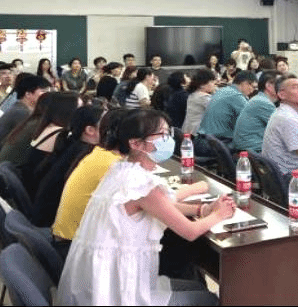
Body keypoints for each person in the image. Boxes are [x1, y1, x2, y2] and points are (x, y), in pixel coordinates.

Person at [56, 109, 234, 306]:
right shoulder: (141, 185)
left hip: (103, 279)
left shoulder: (120, 168)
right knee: (206, 298)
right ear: (136, 143)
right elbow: (190, 232)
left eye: (168, 133)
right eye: (162, 135)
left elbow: (162, 205)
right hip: (116, 292)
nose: (168, 140)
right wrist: (219, 214)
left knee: (196, 286)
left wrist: (201, 210)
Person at [31, 104, 107, 227]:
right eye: (106, 125)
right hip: (51, 223)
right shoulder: (87, 155)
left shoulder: (72, 143)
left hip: (43, 214)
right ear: (90, 130)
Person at [234, 71, 298, 154]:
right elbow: (287, 127)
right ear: (268, 86)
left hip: (251, 148)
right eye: (280, 83)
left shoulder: (260, 99)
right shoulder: (262, 102)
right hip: (253, 152)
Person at [19, 92, 81, 197]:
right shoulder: (60, 134)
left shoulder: (48, 127)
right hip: (35, 191)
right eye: (79, 108)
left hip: (29, 186)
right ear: (68, 110)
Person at [0, 74, 52, 160]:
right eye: (44, 92)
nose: (48, 95)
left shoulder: (20, 107)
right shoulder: (21, 113)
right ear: (28, 94)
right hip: (2, 160)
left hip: (3, 158)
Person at [198, 70, 257, 145]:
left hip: (204, 138)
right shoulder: (236, 96)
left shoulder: (222, 90)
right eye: (253, 87)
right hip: (218, 142)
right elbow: (252, 121)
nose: (253, 91)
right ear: (245, 83)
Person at [183, 69, 216, 136]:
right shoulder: (203, 97)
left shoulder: (193, 94)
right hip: (198, 133)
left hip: (188, 130)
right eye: (212, 82)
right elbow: (218, 109)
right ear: (202, 84)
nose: (214, 84)